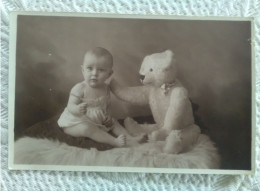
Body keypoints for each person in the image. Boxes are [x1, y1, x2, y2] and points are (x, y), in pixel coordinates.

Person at [58, 47, 144, 147]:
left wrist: (107, 116)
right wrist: (77, 109)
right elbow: (70, 106)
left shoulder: (106, 87)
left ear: (109, 74)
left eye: (101, 70)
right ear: (83, 70)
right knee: (87, 129)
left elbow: (106, 105)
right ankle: (114, 142)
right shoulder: (80, 88)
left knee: (113, 122)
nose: (94, 73)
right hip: (75, 122)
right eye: (89, 68)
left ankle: (130, 138)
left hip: (97, 120)